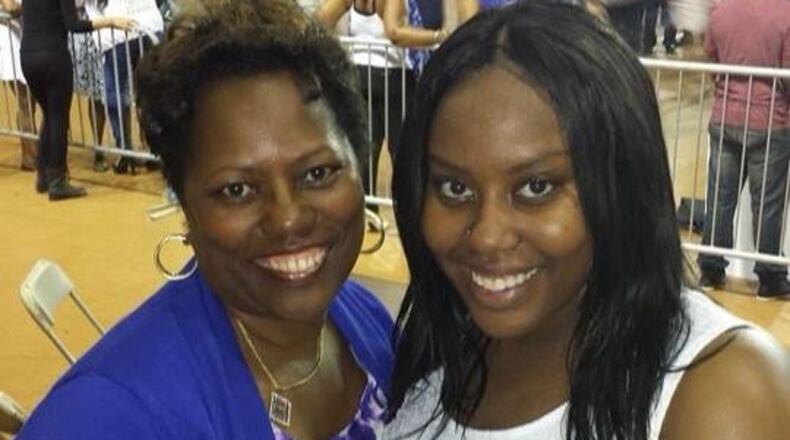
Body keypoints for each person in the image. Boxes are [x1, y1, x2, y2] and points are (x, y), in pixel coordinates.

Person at [384, 2, 790, 439]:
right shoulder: (435, 356)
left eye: (536, 187)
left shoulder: (723, 391)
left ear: (622, 184)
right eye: (454, 188)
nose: (487, 236)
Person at [16, 0, 393, 438]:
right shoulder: (103, 417)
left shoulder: (362, 319)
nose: (288, 219)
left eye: (317, 173)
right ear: (185, 206)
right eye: (237, 190)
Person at [697, 0, 790, 300]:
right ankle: (769, 278)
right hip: (770, 120)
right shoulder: (785, 12)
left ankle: (710, 270)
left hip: (725, 115)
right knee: (767, 205)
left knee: (720, 199)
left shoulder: (722, 10)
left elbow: (711, 57)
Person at [19, 0, 133, 200]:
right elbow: (73, 25)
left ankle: (44, 175)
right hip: (53, 56)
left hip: (28, 56)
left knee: (50, 114)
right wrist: (111, 22)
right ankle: (57, 180)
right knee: (58, 118)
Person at [318, 0, 409, 215]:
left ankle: (369, 209)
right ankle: (404, 206)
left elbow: (320, 21)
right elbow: (394, 31)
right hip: (390, 74)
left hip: (360, 73)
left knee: (369, 145)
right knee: (399, 146)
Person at [0, 0, 37, 171]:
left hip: (23, 36)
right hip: (8, 41)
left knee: (29, 101)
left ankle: (32, 152)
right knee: (25, 100)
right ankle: (30, 156)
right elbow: (10, 8)